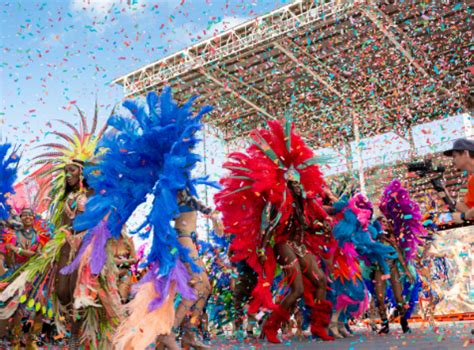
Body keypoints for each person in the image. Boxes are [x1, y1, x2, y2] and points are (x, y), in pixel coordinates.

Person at [442, 138, 474, 222]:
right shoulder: (471, 179)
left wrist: (464, 216)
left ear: (465, 153)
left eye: (454, 156)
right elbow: (469, 209)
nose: (453, 161)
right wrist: (446, 195)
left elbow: (468, 213)